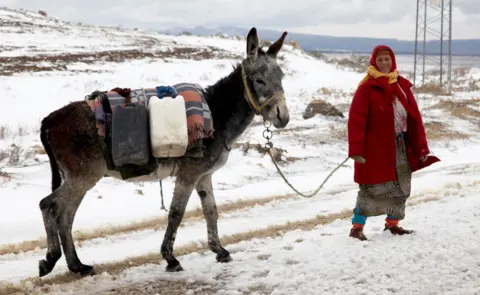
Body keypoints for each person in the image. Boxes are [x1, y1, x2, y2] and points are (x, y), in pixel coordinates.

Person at [347, 45, 440, 241]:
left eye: (387, 59)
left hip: (400, 146)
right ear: (374, 62)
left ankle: (392, 224)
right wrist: (356, 148)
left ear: (393, 61)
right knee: (371, 187)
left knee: (401, 186)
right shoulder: (367, 88)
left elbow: (415, 118)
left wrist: (421, 147)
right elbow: (356, 120)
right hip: (374, 148)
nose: (384, 63)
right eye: (380, 60)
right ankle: (357, 227)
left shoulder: (401, 86)